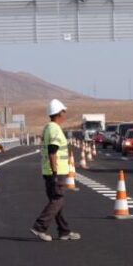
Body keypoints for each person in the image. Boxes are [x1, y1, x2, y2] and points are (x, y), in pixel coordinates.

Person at [30, 99, 81, 242]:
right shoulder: (54, 129)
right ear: (59, 113)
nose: (65, 114)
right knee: (58, 200)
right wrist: (54, 172)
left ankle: (64, 231)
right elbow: (53, 151)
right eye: (63, 111)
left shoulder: (48, 127)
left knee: (56, 201)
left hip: (50, 171)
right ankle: (40, 226)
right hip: (56, 172)